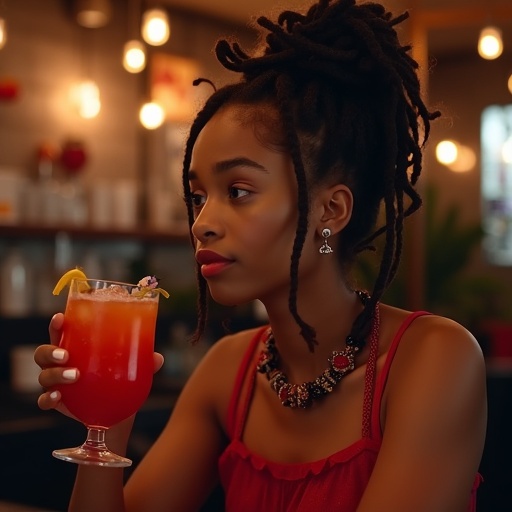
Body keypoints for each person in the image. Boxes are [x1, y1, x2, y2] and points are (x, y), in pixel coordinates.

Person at [34, 0, 487, 510]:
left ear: (330, 210)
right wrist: (106, 418)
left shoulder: (432, 359)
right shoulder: (229, 368)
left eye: (240, 190)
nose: (202, 222)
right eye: (197, 197)